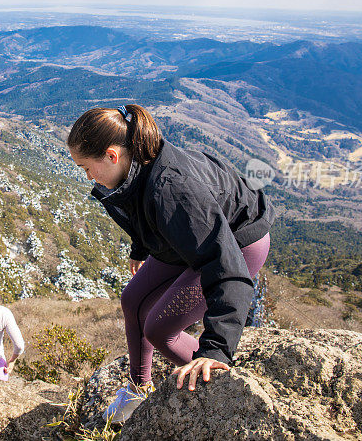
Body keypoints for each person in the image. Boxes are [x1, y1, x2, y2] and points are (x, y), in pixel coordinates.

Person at [67, 104, 275, 423]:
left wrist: (215, 348)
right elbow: (138, 210)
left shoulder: (172, 191)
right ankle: (139, 390)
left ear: (111, 155)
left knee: (160, 328)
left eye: (85, 167)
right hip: (186, 240)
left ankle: (220, 381)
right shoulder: (134, 166)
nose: (87, 176)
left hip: (239, 242)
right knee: (133, 301)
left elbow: (225, 265)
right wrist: (140, 247)